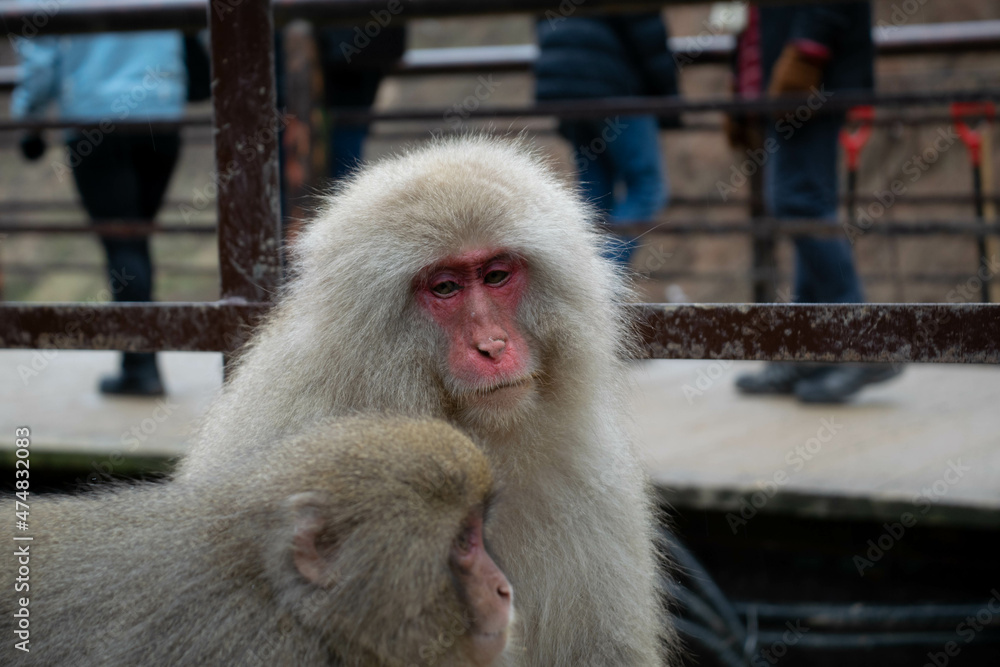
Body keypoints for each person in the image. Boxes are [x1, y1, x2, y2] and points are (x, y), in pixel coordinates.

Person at [731, 2, 903, 403]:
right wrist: (743, 87)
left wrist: (806, 54)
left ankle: (864, 340)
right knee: (801, 204)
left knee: (799, 203)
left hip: (808, 79)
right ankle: (809, 347)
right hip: (783, 80)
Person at [11, 31, 187, 396]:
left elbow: (41, 56)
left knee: (123, 246)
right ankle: (138, 361)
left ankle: (141, 366)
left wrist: (29, 120)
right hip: (164, 113)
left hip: (96, 117)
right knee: (134, 242)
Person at [535, 12, 678, 268]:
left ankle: (577, 285)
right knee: (647, 188)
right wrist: (669, 100)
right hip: (614, 85)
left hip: (565, 87)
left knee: (595, 195)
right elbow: (648, 34)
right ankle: (597, 286)